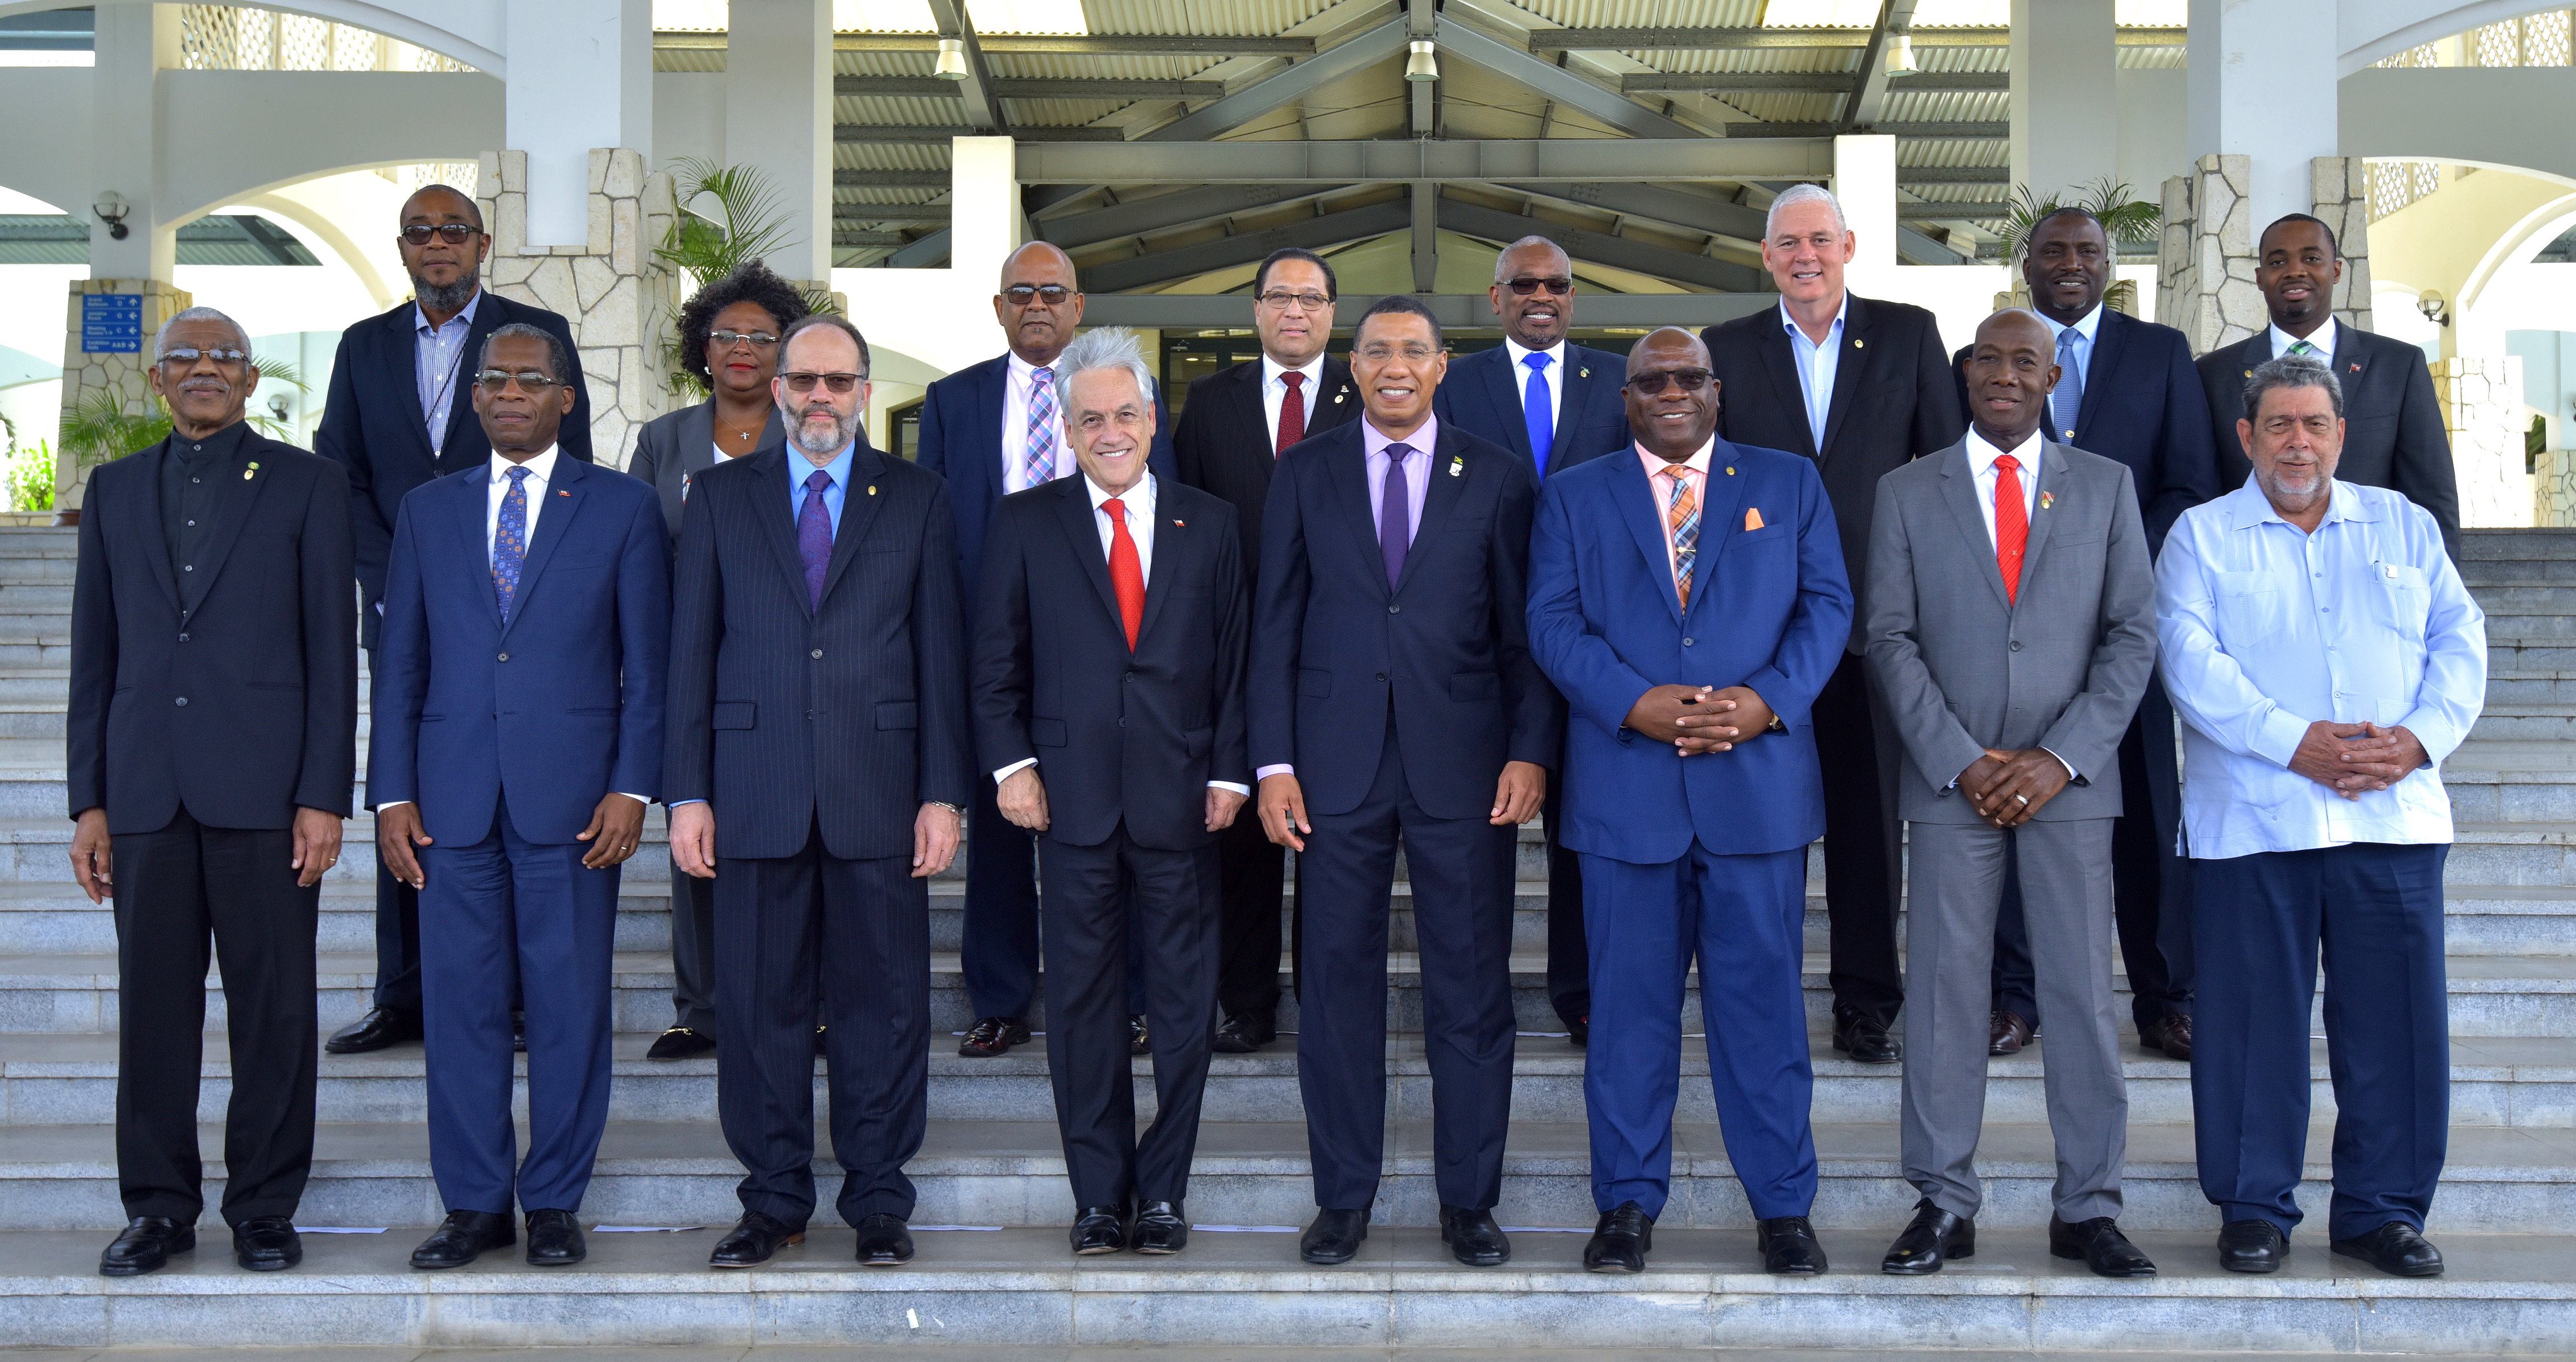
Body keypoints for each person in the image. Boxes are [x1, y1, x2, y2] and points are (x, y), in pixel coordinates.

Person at [1526, 327, 1849, 1276]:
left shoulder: (1788, 482)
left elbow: (1826, 606)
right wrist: (1631, 700)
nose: (1671, 391)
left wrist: (1765, 702)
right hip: (1626, 791)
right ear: (1625, 397)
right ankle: (1625, 1203)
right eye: (1651, 380)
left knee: (1764, 1015)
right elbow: (1550, 619)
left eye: (1688, 377)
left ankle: (1782, 1208)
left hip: (1755, 791)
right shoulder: (1573, 493)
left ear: (1716, 390)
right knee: (1627, 1017)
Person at [2159, 355, 2485, 1279]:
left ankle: (2382, 1210)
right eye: (2277, 425)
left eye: (2312, 424)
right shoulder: (2200, 536)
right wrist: (2290, 740)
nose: (2295, 442)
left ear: (2340, 435)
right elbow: (2186, 656)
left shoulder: (2403, 525)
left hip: (2391, 816)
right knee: (2248, 1023)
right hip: (2253, 822)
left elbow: (2459, 641)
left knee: (2395, 1027)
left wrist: (2417, 739)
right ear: (2245, 436)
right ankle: (2252, 1205)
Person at [1253, 296, 1556, 1270]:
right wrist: (1272, 762)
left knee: (1469, 991)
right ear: (1352, 366)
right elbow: (1273, 624)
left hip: (1463, 767)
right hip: (1330, 769)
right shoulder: (1302, 471)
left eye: (1412, 350)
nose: (1394, 365)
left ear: (1440, 366)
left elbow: (1523, 631)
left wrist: (1530, 749)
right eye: (1377, 350)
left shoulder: (1496, 474)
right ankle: (1342, 1197)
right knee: (1334, 990)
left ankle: (1469, 1199)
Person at [664, 315, 971, 1270]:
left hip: (877, 789)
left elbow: (940, 655)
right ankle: (772, 1198)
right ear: (779, 389)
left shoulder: (917, 496)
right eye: (804, 380)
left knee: (885, 1005)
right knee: (759, 1007)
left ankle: (877, 1195)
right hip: (752, 790)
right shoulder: (719, 496)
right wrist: (685, 792)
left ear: (865, 391)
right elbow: (689, 654)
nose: (820, 396)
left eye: (838, 381)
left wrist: (942, 792)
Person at [369, 323, 669, 1270]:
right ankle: (473, 1204)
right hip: (450, 801)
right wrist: (390, 793)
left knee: (568, 1006)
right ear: (473, 396)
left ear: (564, 398)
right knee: (459, 1007)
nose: (509, 392)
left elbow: (647, 667)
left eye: (529, 380)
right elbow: (401, 662)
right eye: (493, 378)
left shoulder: (622, 506)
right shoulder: (427, 509)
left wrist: (632, 784)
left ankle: (553, 1201)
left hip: (575, 804)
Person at [1868, 309, 2160, 1280]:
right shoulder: (1906, 490)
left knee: (2078, 995)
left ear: (2049, 378)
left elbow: (2130, 633)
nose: (2004, 374)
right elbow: (1889, 637)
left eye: (2023, 361)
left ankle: (2087, 1206)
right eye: (1987, 359)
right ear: (1964, 372)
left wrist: (2059, 757)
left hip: (2067, 787)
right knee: (1944, 996)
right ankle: (1941, 1199)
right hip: (1951, 785)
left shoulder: (2106, 486)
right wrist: (1959, 758)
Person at [68, 307, 356, 1276]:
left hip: (267, 794)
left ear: (249, 379)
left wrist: (323, 794)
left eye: (224, 356)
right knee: (153, 1012)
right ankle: (157, 1207)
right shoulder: (113, 490)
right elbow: (95, 656)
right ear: (157, 379)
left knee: (274, 1009)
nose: (205, 368)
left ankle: (264, 1206)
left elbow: (332, 653)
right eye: (185, 356)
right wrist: (90, 801)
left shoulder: (309, 484)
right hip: (145, 791)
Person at [973, 327, 1249, 1257]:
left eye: (1124, 413)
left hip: (1183, 798)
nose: (1109, 431)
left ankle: (1162, 1191)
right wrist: (1011, 767)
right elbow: (994, 663)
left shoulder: (1210, 523)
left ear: (1151, 418)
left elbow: (1235, 662)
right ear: (1066, 426)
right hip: (1070, 802)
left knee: (1182, 1007)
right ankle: (1097, 1196)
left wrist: (1229, 770)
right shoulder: (1024, 522)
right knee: (1082, 1009)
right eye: (1089, 418)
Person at [315, 183, 592, 1056]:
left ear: (482, 243)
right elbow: (340, 472)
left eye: (454, 230)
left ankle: (510, 994)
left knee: (506, 786)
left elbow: (570, 470)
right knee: (407, 785)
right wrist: (387, 580)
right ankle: (403, 993)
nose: (437, 243)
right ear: (402, 248)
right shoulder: (362, 346)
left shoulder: (534, 334)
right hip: (401, 609)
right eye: (420, 232)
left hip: (511, 614)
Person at [1700, 184, 1963, 1065]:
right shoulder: (1725, 347)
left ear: (1847, 247)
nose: (1804, 255)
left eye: (1819, 239)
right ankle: (1759, 997)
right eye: (1787, 242)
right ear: (1765, 256)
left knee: (1866, 825)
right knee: (1757, 824)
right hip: (1758, 635)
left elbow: (1945, 474)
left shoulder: (1906, 334)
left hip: (1874, 625)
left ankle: (1865, 1002)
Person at [1956, 208, 2218, 1062]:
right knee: (2012, 805)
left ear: (2109, 264)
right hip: (2009, 632)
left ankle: (2164, 996)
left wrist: (2112, 561)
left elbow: (2188, 485)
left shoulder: (2159, 354)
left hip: (2121, 630)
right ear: (2025, 264)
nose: (2070, 263)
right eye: (2053, 251)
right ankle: (2014, 996)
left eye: (2087, 251)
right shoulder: (1983, 358)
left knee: (2146, 814)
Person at [918, 241, 1174, 1060]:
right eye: (1021, 292)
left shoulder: (1127, 395)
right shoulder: (952, 399)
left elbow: (1155, 513)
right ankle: (999, 1000)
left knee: (1118, 827)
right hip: (990, 646)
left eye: (1053, 292)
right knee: (999, 830)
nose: (1037, 304)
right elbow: (932, 531)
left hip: (1103, 650)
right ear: (998, 307)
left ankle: (1131, 1000)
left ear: (1078, 305)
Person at [1431, 235, 1633, 1047]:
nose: (1539, 295)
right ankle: (1476, 999)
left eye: (1554, 283)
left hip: (1597, 637)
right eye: (1523, 284)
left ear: (1572, 295)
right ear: (1495, 297)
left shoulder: (1619, 380)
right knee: (1477, 832)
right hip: (1484, 640)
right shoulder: (1456, 384)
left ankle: (1581, 994)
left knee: (1584, 830)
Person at [1170, 246, 1360, 1055]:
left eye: (1311, 299)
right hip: (1233, 645)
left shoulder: (1365, 395)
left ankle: (1326, 999)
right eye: (1279, 296)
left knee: (1331, 836)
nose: (1294, 311)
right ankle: (1245, 1001)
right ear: (1255, 310)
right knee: (1242, 836)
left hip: (1340, 647)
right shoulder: (1210, 400)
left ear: (1331, 314)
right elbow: (1180, 514)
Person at [625, 260, 806, 1062]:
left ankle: (806, 1004)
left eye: (761, 337)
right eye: (726, 333)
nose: (741, 348)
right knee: (695, 830)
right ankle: (700, 1010)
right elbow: (635, 555)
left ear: (784, 351)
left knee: (801, 835)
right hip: (690, 666)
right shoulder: (664, 440)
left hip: (790, 666)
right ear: (702, 346)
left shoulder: (814, 429)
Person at [2195, 214, 2461, 560]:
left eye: (2311, 258)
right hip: (2254, 572)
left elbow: (2432, 495)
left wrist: (2437, 584)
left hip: (2370, 571)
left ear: (2335, 271)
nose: (2295, 271)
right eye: (2278, 262)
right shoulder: (2212, 375)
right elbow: (2202, 492)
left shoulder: (2398, 366)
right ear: (2260, 278)